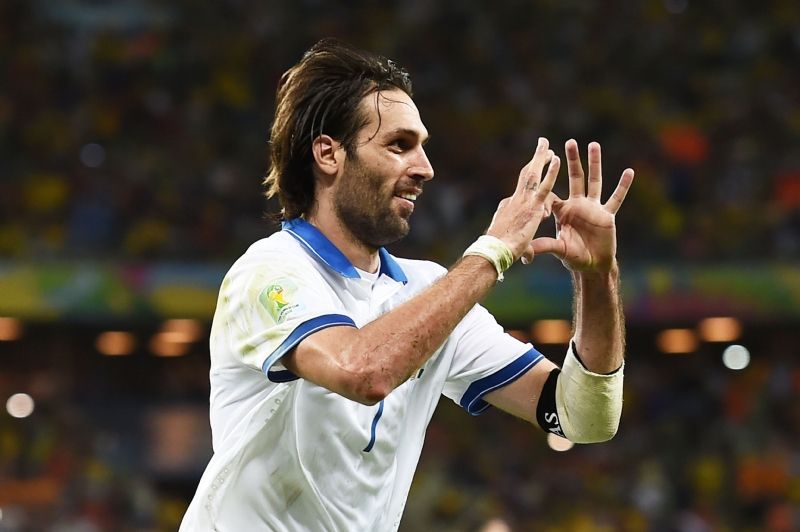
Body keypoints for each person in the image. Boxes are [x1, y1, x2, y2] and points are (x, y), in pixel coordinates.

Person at [180, 39, 635, 531]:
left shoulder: (428, 289)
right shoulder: (269, 272)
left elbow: (583, 418)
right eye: (399, 145)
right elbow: (363, 371)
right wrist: (494, 249)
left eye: (422, 146)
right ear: (329, 154)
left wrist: (598, 277)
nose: (425, 168)